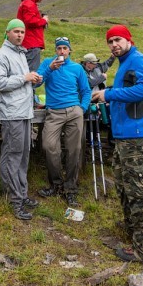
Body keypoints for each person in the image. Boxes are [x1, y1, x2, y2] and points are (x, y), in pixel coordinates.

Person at [91, 24, 143, 266]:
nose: (113, 45)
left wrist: (109, 95)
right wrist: (107, 93)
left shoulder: (138, 60)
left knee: (139, 192)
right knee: (124, 185)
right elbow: (127, 91)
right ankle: (133, 232)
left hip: (136, 134)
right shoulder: (124, 64)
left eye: (118, 40)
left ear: (129, 40)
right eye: (110, 42)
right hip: (123, 135)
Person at [0, 19, 43, 220]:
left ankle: (21, 193)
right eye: (16, 32)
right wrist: (24, 78)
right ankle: (15, 201)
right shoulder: (2, 54)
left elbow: (23, 80)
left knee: (23, 155)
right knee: (14, 155)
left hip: (25, 111)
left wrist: (33, 79)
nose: (20, 35)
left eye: (22, 32)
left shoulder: (20, 53)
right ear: (7, 33)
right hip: (12, 112)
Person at [35, 37, 91, 207]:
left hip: (74, 111)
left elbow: (86, 90)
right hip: (54, 112)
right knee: (49, 146)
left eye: (64, 48)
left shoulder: (77, 68)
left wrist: (82, 108)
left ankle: (71, 188)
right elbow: (36, 84)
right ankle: (56, 184)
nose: (61, 51)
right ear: (55, 50)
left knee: (74, 149)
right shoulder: (47, 63)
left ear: (69, 51)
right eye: (58, 48)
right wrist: (50, 70)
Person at [17, 0, 49, 74]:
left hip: (28, 42)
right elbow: (30, 21)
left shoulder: (27, 3)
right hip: (31, 43)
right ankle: (30, 88)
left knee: (26, 71)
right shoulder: (29, 4)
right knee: (32, 72)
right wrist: (43, 20)